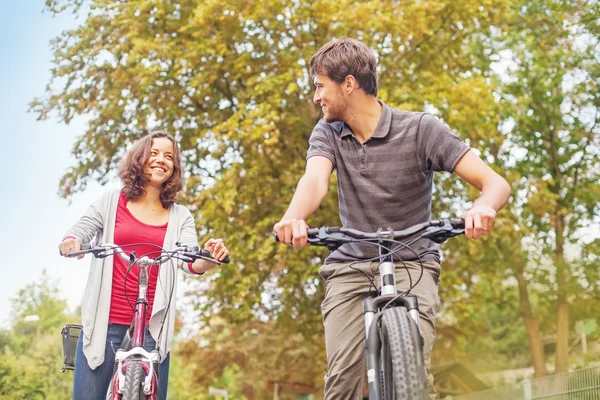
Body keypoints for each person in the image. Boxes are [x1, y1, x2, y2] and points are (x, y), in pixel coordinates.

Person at [273, 38, 511, 399]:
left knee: (416, 373)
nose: (315, 96)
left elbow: (495, 183)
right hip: (350, 266)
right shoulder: (328, 134)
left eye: (320, 85)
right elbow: (315, 180)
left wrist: (483, 207)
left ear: (348, 84)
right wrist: (293, 217)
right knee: (342, 381)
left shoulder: (421, 130)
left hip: (413, 261)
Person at [59, 131, 229, 400]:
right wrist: (72, 240)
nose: (161, 160)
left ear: (174, 168)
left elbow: (190, 259)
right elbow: (82, 229)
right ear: (140, 158)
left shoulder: (181, 216)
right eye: (154, 153)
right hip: (106, 324)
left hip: (153, 328)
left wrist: (210, 258)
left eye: (169, 156)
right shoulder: (111, 202)